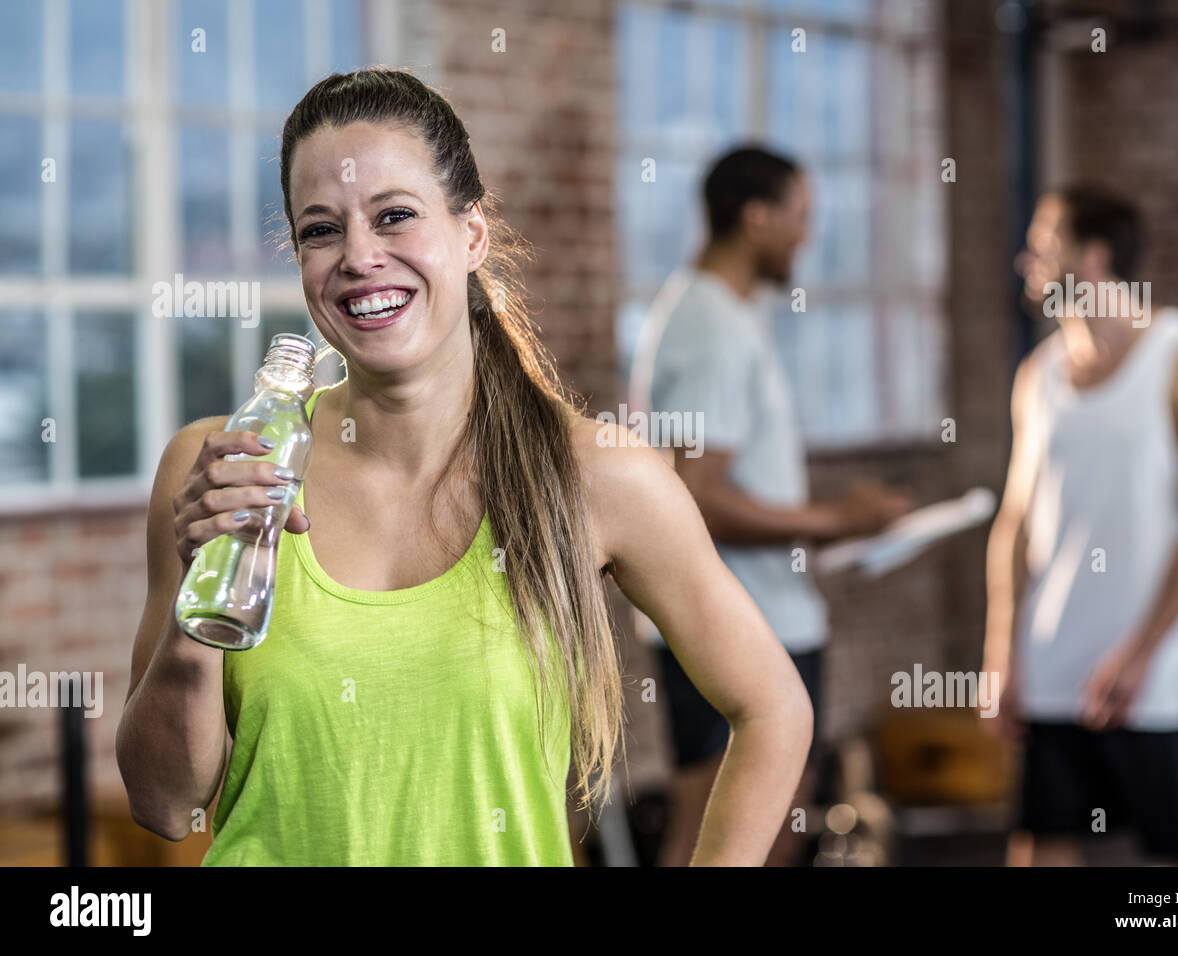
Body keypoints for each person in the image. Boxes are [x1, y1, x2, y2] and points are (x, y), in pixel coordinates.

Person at [116, 69, 815, 867]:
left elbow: (773, 709)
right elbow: (164, 804)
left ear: (471, 233)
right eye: (321, 230)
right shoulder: (221, 468)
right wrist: (196, 618)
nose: (359, 257)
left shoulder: (595, 473)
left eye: (396, 216)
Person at [628, 145, 910, 867]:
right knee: (719, 835)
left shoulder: (711, 313)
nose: (807, 235)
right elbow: (697, 495)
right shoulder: (714, 328)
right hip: (738, 623)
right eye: (800, 216)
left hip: (758, 614)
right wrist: (835, 520)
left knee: (762, 830)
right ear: (757, 218)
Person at [984, 184, 1178, 866]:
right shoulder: (1038, 375)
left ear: (1093, 257)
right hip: (1052, 670)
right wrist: (1002, 652)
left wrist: (1139, 654)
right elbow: (1015, 521)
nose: (1026, 260)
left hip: (1161, 684)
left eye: (1044, 244)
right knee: (1042, 850)